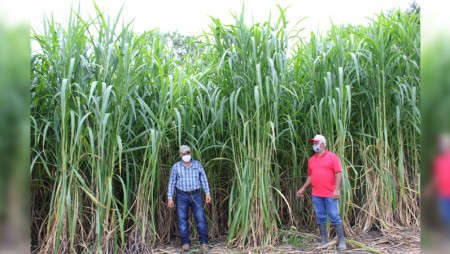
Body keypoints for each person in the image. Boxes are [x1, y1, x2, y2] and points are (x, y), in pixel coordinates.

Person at [297, 134, 347, 250]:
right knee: (320, 217)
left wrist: (337, 190)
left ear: (323, 144)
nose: (314, 145)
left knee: (334, 216)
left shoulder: (332, 157)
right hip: (316, 194)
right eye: (314, 143)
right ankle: (324, 240)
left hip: (330, 194)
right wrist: (303, 188)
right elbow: (310, 176)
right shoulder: (311, 160)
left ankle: (341, 241)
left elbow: (338, 173)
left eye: (316, 143)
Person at [167, 145, 211, 252]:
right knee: (182, 220)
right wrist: (170, 197)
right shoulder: (176, 167)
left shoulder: (197, 165)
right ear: (180, 155)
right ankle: (185, 243)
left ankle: (204, 242)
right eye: (183, 153)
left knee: (200, 219)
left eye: (187, 153)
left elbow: (203, 179)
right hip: (181, 196)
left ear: (190, 153)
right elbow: (172, 182)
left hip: (196, 194)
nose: (186, 155)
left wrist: (207, 193)